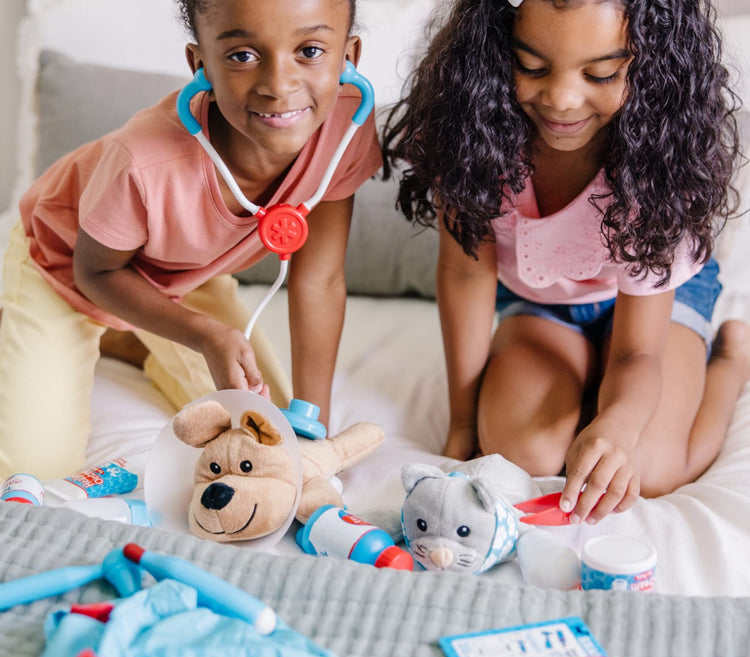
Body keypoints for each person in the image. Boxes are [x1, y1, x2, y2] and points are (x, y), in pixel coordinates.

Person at [383, 0, 750, 524]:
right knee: (521, 453)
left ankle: (732, 362)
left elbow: (638, 353)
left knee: (651, 470)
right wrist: (461, 424)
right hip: (542, 301)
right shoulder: (473, 136)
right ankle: (581, 377)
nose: (560, 99)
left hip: (651, 311)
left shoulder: (660, 168)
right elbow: (466, 271)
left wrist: (617, 424)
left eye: (600, 74)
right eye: (532, 67)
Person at [0, 0, 381, 481]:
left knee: (271, 439)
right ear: (200, 65)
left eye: (309, 50)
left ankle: (132, 341)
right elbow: (93, 271)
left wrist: (312, 427)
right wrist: (205, 335)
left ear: (349, 57)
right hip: (67, 266)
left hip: (185, 271)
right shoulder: (143, 160)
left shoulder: (346, 129)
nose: (279, 86)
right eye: (243, 55)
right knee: (35, 473)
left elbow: (320, 281)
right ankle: (42, 328)